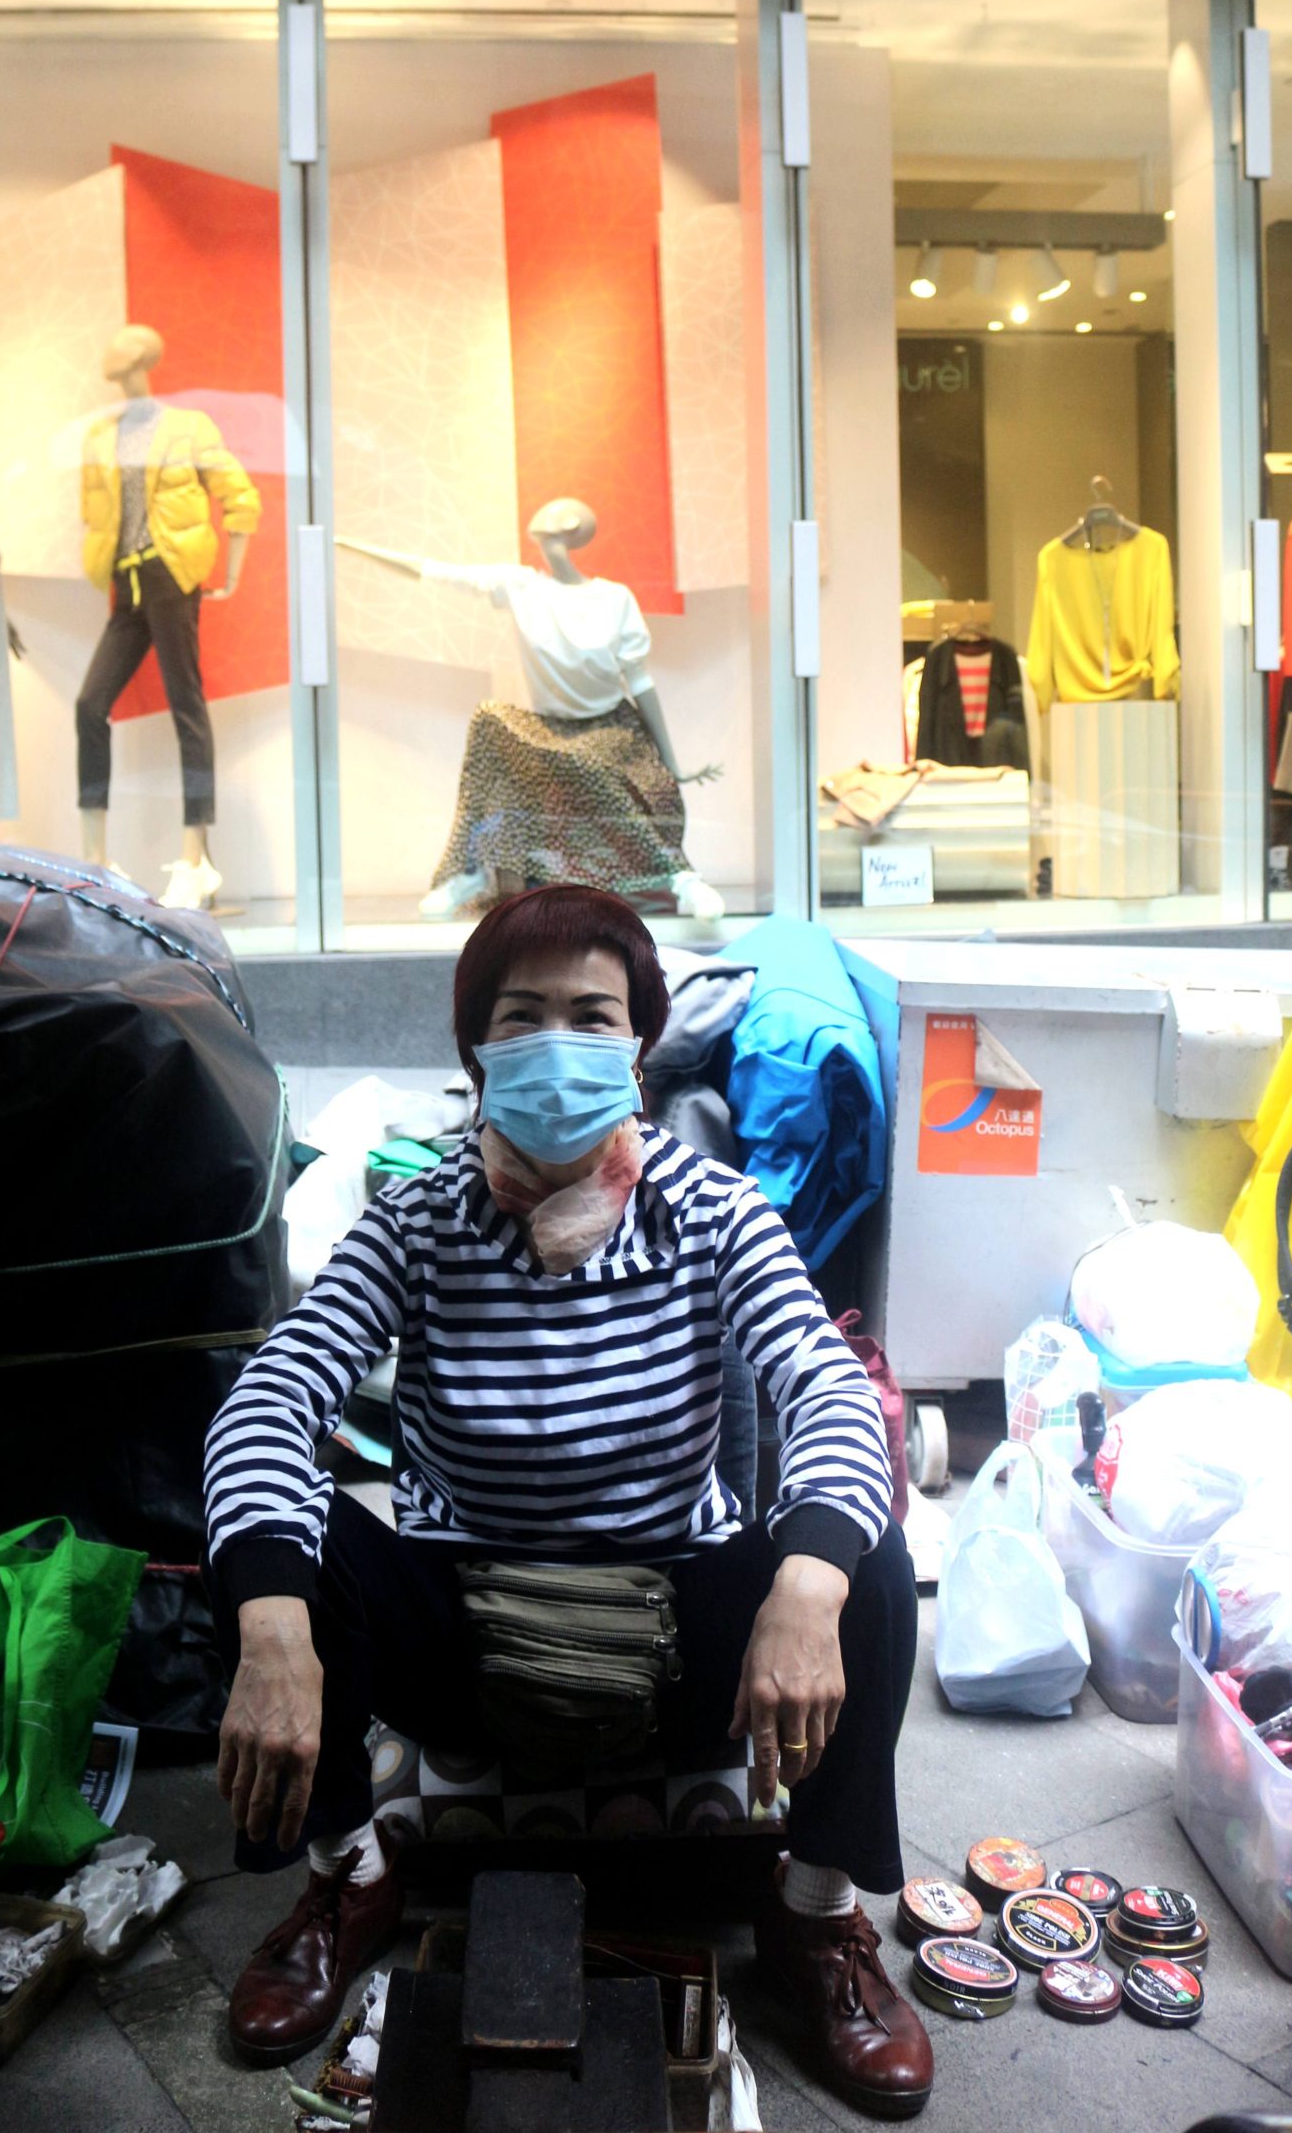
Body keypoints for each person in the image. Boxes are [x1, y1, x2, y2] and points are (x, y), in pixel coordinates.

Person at [203, 886, 930, 2119]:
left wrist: (807, 1588)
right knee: (280, 1541)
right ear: (477, 1050)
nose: (556, 1042)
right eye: (521, 1014)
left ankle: (816, 1916)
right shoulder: (416, 1222)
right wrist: (272, 1628)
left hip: (683, 1652)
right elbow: (273, 1394)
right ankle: (347, 1876)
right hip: (463, 1647)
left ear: (639, 1045)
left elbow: (825, 1385)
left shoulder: (714, 1213)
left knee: (869, 1566)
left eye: (591, 1014)